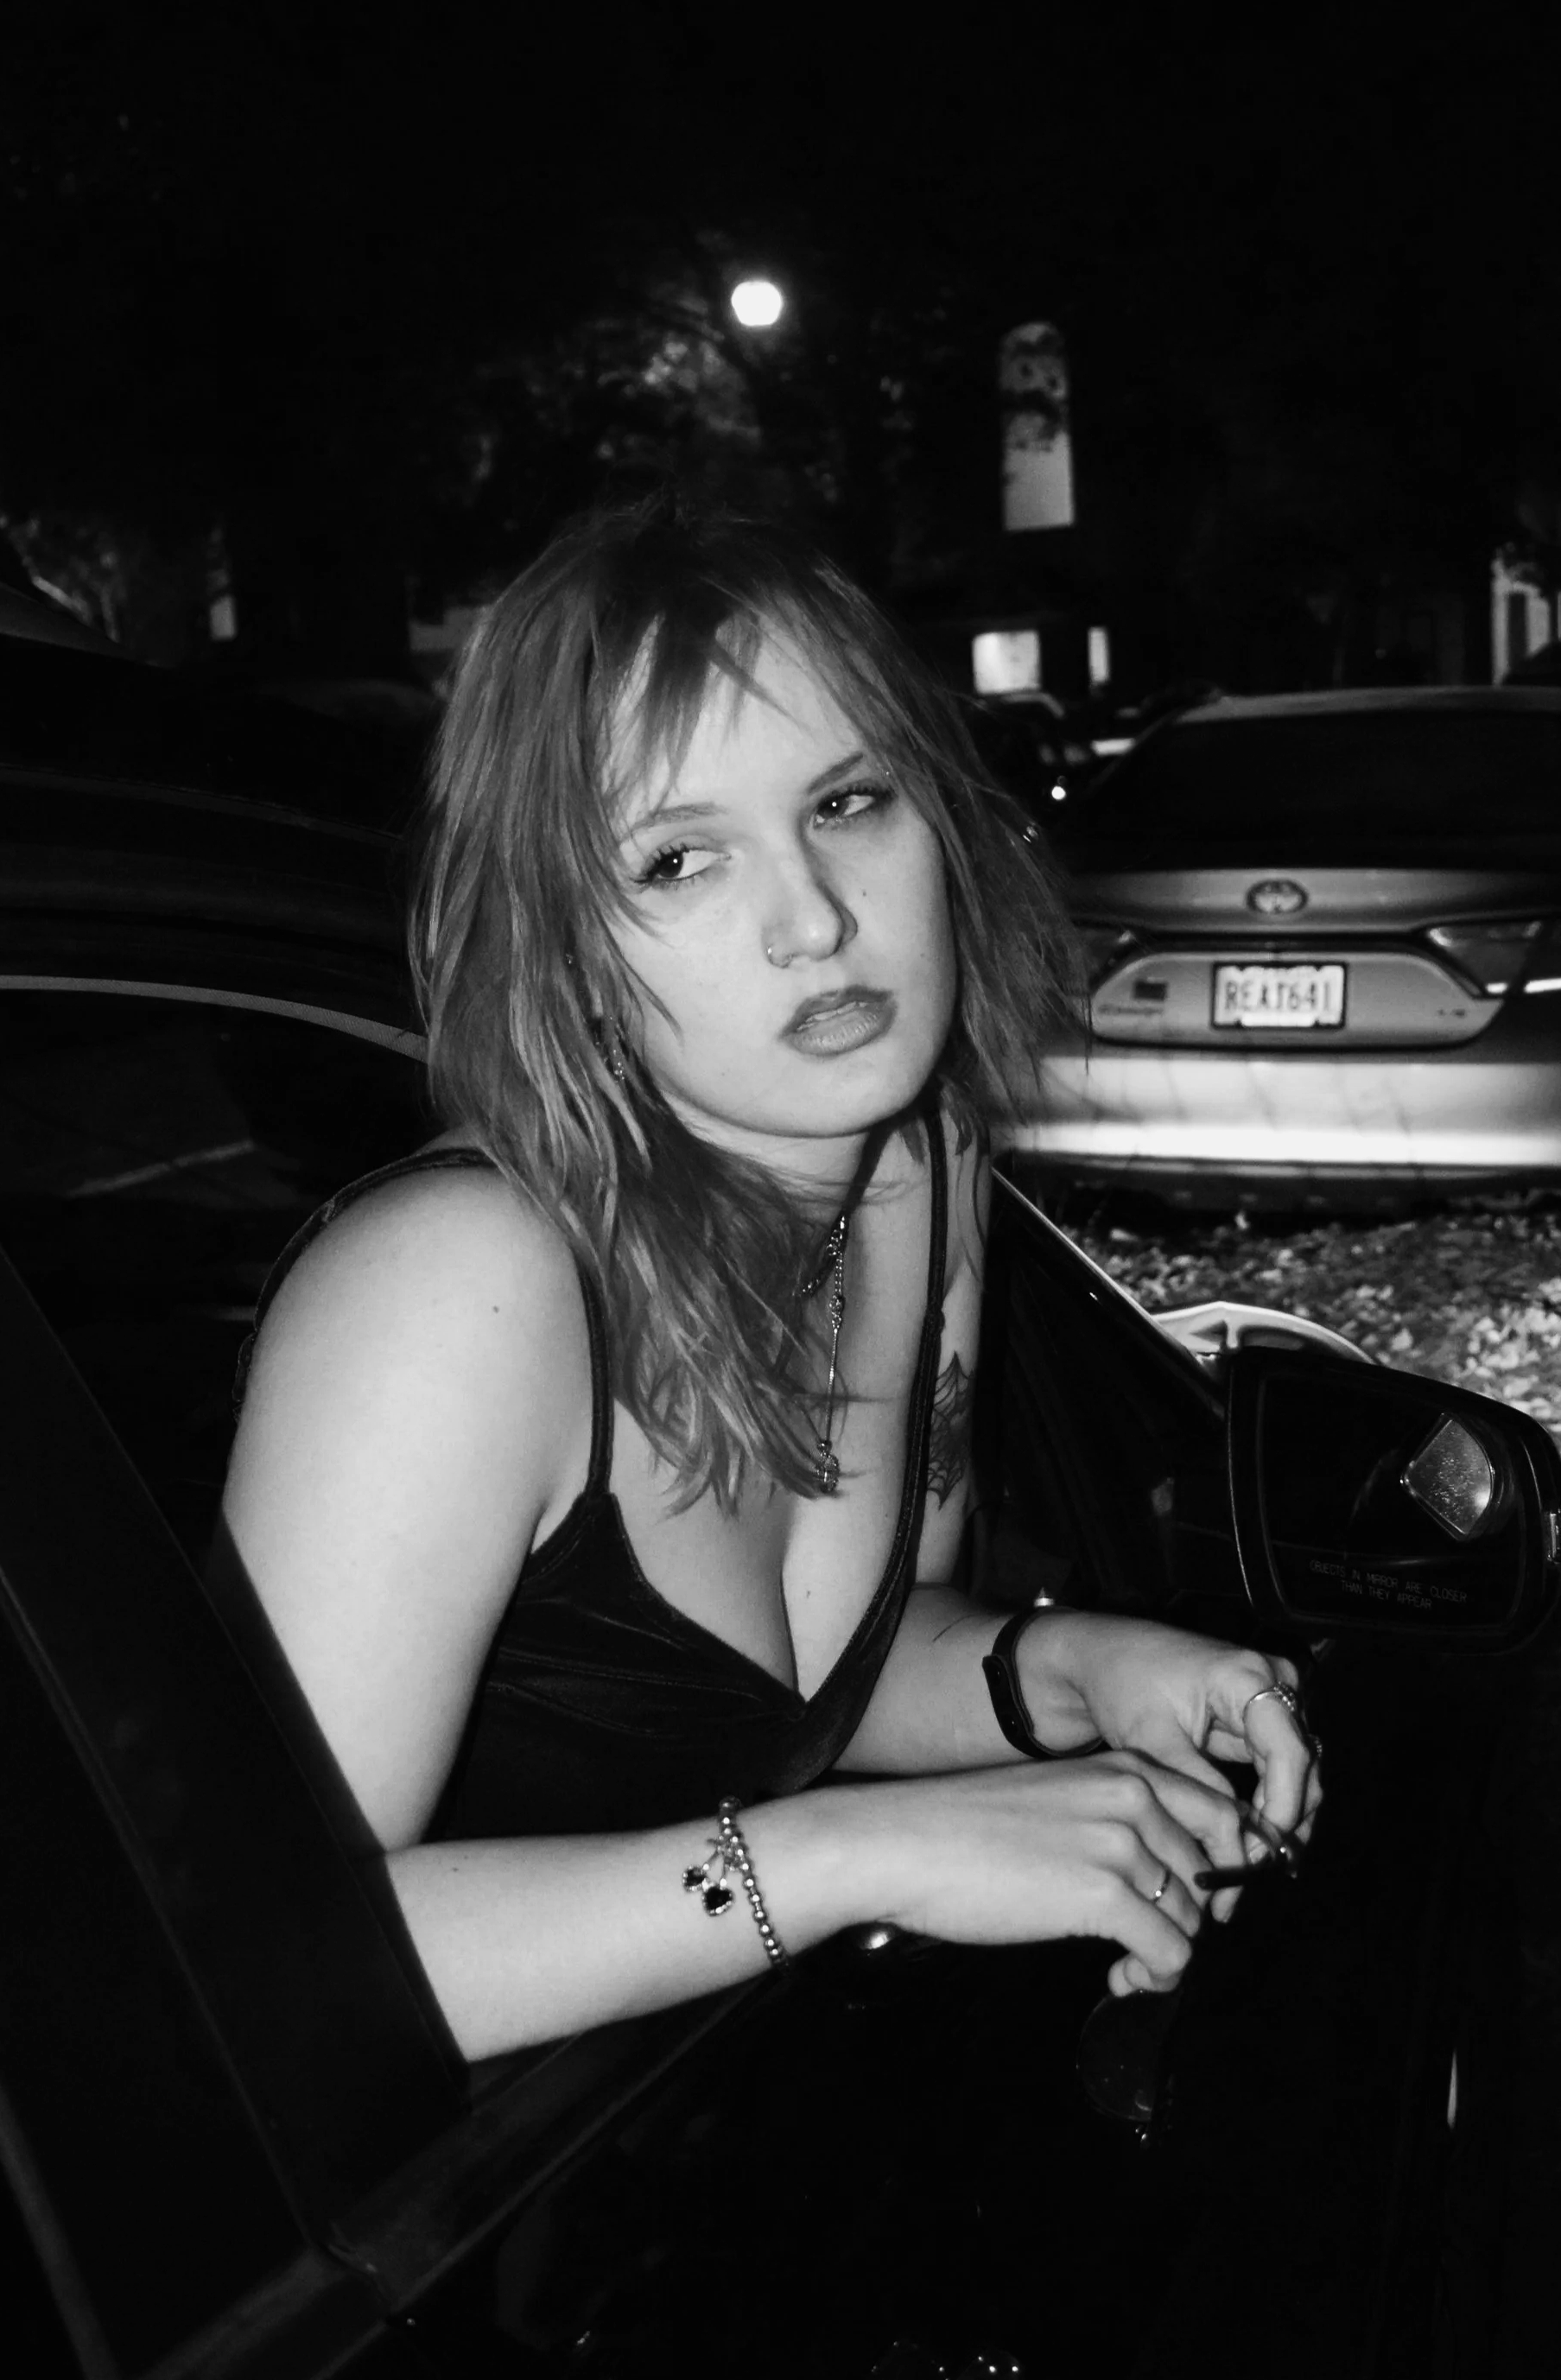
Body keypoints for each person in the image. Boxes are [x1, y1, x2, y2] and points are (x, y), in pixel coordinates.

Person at [221, 496, 1320, 2062]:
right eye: (678, 858)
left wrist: (1063, 1667)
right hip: (425, 2183)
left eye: (847, 801)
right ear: (567, 950)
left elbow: (814, 1676)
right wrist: (844, 1858)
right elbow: (264, 1967)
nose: (811, 918)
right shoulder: (457, 1293)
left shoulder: (918, 1168)